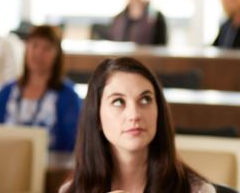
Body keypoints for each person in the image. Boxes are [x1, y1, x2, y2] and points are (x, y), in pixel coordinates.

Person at [61, 57, 215, 193]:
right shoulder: (71, 190)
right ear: (97, 118)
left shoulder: (197, 191)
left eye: (145, 99)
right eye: (118, 101)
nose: (134, 115)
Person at [0, 25, 82, 152]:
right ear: (26, 49)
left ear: (57, 55)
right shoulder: (5, 93)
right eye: (34, 46)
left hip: (52, 169)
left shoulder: (68, 96)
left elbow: (72, 144)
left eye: (47, 48)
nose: (39, 53)